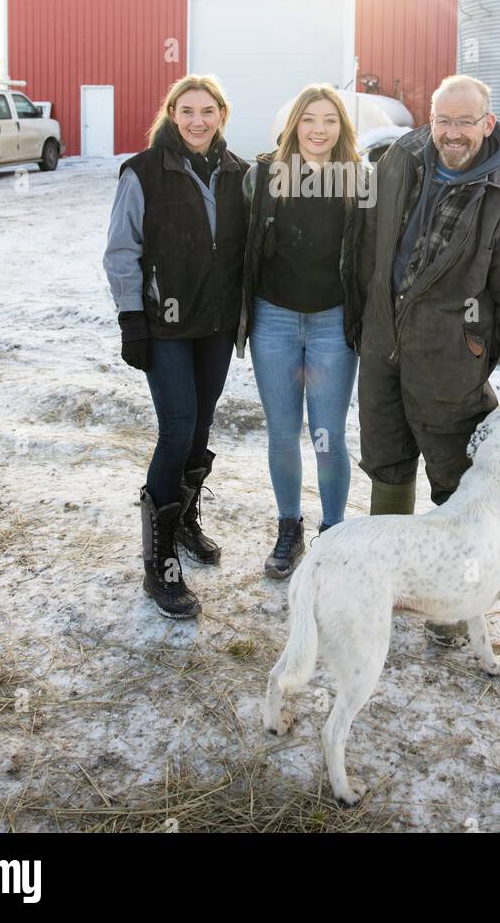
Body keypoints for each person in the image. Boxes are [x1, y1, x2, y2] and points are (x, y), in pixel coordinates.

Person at [357, 74, 500, 643]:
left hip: (451, 361)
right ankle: (384, 583)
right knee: (386, 464)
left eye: (466, 121)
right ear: (429, 118)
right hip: (383, 347)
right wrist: (359, 323)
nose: (453, 132)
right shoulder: (400, 161)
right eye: (444, 120)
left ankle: (456, 601)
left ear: (488, 123)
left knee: (453, 480)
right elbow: (366, 244)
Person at [103, 74, 248, 620]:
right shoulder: (142, 171)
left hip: (213, 325)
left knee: (203, 426)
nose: (197, 120)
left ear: (221, 115)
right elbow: (122, 251)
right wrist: (131, 319)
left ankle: (184, 519)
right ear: (170, 112)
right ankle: (160, 559)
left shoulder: (238, 174)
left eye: (207, 110)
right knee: (177, 428)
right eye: (186, 110)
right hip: (164, 327)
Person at [237, 84, 367, 579]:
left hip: (334, 320)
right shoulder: (264, 176)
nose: (318, 129)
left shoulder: (359, 179)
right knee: (283, 432)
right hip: (274, 319)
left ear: (342, 127)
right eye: (309, 119)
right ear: (294, 124)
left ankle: (333, 532)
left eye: (329, 120)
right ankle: (288, 527)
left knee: (328, 434)